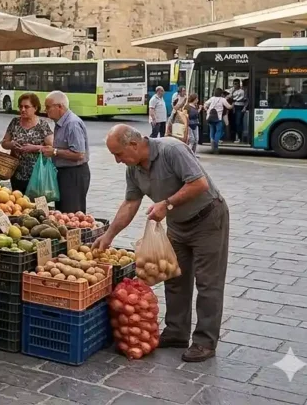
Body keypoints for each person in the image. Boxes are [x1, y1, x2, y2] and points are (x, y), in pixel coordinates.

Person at [95, 125, 229, 363]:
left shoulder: (172, 149)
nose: (117, 161)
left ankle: (205, 342)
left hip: (208, 219)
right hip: (178, 225)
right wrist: (108, 236)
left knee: (209, 283)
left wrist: (166, 204)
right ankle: (177, 332)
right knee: (175, 278)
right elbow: (130, 204)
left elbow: (199, 184)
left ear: (134, 145)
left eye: (118, 154)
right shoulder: (133, 168)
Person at [42, 91, 90, 212]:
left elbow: (79, 153)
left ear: (60, 107)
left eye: (48, 107)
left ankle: (75, 231)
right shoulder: (61, 123)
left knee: (71, 211)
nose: (45, 110)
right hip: (64, 172)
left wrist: (54, 152)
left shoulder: (72, 124)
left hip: (73, 173)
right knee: (62, 210)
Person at [0, 92, 53, 195]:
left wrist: (34, 148)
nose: (22, 110)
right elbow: (4, 143)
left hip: (37, 175)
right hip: (17, 174)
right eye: (20, 107)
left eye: (26, 107)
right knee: (19, 204)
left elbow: (51, 147)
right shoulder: (15, 122)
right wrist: (12, 144)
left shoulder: (42, 125)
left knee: (38, 206)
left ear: (35, 108)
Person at [203, 88, 232, 154]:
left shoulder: (212, 98)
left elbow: (205, 104)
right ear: (221, 94)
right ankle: (215, 143)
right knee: (219, 130)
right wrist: (233, 104)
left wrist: (206, 109)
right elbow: (229, 107)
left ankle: (212, 142)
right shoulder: (222, 99)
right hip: (218, 118)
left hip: (210, 117)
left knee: (212, 130)